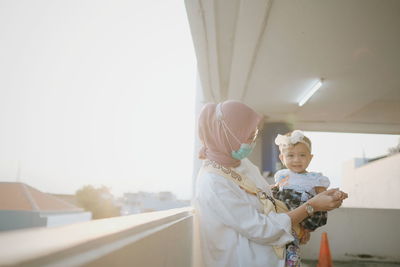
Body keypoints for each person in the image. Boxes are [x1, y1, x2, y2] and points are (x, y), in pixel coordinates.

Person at [194, 100, 347, 267]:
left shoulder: (241, 164)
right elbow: (262, 228)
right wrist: (310, 207)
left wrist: (299, 224)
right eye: (248, 135)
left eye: (255, 134)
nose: (252, 140)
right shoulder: (212, 182)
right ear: (227, 134)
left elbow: (263, 196)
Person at [272, 130, 331, 265]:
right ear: (282, 158)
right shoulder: (281, 175)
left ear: (310, 158)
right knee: (276, 253)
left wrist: (335, 196)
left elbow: (323, 199)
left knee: (292, 252)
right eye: (291, 155)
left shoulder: (315, 178)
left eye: (302, 155)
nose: (297, 160)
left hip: (303, 218)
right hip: (281, 218)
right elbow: (274, 191)